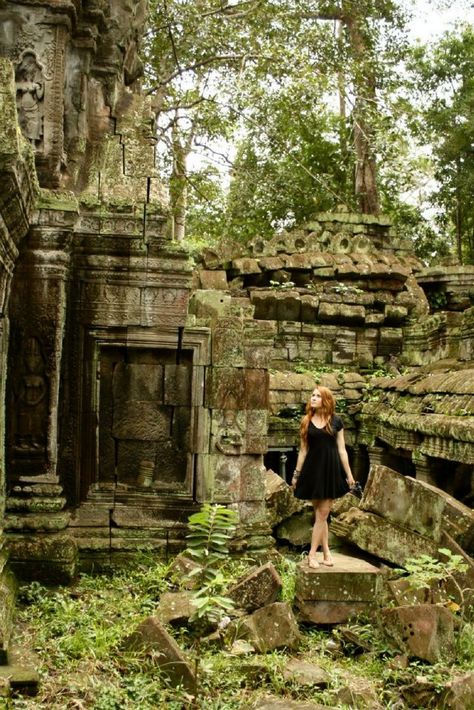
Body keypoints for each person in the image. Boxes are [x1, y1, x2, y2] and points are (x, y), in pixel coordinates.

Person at [292, 385, 355, 569]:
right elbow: (303, 451)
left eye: (318, 396)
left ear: (325, 400)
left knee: (323, 513)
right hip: (313, 470)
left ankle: (312, 555)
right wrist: (296, 474)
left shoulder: (336, 421)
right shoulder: (306, 421)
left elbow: (342, 450)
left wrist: (349, 475)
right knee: (320, 513)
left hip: (330, 469)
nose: (313, 398)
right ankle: (326, 551)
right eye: (312, 395)